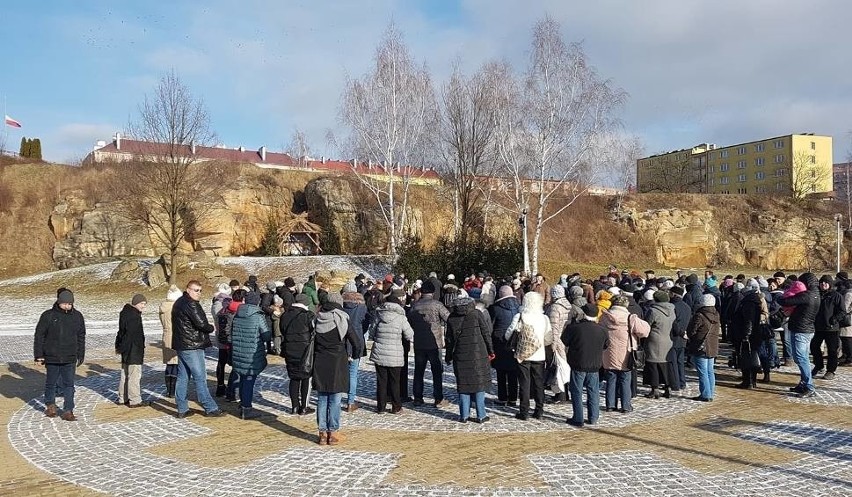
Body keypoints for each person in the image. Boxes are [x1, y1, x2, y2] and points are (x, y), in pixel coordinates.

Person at [172, 281, 223, 418]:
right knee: (200, 377)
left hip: (183, 345)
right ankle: (209, 406)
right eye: (196, 290)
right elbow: (202, 324)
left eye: (200, 290)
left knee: (183, 376)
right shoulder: (190, 304)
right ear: (188, 290)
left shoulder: (179, 302)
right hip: (192, 345)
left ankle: (182, 408)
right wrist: (212, 327)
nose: (199, 293)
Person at [312, 292, 358, 445]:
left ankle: (322, 433)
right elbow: (355, 341)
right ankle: (333, 432)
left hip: (320, 360)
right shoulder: (342, 317)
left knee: (322, 398)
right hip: (337, 361)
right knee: (335, 398)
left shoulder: (317, 318)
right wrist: (354, 355)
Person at [34, 289, 86, 421]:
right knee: (51, 383)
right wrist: (39, 354)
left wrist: (81, 353)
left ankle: (68, 410)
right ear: (59, 302)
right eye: (65, 304)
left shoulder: (77, 316)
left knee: (69, 384)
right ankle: (50, 405)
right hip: (52, 356)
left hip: (69, 357)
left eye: (70, 304)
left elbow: (81, 336)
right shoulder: (48, 315)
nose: (67, 306)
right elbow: (40, 335)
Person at [445, 296, 494, 423]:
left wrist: (448, 356)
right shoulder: (477, 314)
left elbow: (449, 340)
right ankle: (481, 415)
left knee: (463, 384)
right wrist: (491, 350)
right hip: (478, 354)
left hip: (460, 355)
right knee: (479, 383)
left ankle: (464, 415)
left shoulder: (451, 318)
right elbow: (486, 333)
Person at [599, 295, 650, 413]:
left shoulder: (605, 317)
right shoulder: (630, 318)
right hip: (626, 354)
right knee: (625, 380)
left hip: (608, 353)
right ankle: (626, 406)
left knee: (611, 379)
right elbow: (644, 331)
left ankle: (610, 405)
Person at [506, 291, 551, 420]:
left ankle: (524, 411)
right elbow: (548, 338)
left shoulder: (519, 316)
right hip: (539, 354)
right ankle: (539, 410)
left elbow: (508, 334)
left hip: (522, 355)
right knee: (538, 383)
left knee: (524, 383)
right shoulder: (544, 318)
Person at [563, 303, 609, 427]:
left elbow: (565, 341)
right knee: (593, 391)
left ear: (583, 314)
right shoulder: (602, 330)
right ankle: (593, 417)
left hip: (578, 363)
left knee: (576, 391)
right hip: (594, 364)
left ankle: (578, 418)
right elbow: (606, 345)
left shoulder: (575, 328)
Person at [408, 280, 451, 407]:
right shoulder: (437, 305)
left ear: (421, 292)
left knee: (419, 371)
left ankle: (418, 398)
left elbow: (409, 322)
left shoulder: (415, 306)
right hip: (434, 342)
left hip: (419, 343)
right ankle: (438, 398)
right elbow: (448, 318)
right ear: (433, 292)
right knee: (437, 371)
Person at [369, 295, 414, 414]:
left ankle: (381, 407)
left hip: (380, 351)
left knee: (381, 380)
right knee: (395, 381)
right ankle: (396, 406)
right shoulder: (401, 318)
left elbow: (371, 333)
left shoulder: (378, 315)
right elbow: (409, 334)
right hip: (395, 353)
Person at [230, 292, 271, 419]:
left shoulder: (237, 314)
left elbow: (232, 331)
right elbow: (266, 336)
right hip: (252, 353)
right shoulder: (258, 316)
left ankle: (243, 404)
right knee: (249, 380)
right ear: (257, 302)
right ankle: (246, 408)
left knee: (242, 377)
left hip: (238, 351)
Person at [280, 294, 315, 415]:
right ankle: (304, 407)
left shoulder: (285, 315)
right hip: (305, 350)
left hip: (289, 349)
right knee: (306, 377)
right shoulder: (308, 315)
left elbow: (282, 330)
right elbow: (314, 331)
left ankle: (294, 406)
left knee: (293, 377)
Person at [489, 285, 521, 406]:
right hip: (514, 341)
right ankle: (513, 397)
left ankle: (502, 397)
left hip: (500, 341)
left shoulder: (496, 308)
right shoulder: (518, 306)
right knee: (513, 371)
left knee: (501, 371)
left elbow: (491, 326)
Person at [115, 294, 149, 408]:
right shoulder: (134, 316)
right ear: (135, 303)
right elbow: (131, 335)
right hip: (133, 349)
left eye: (144, 304)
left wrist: (120, 347)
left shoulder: (125, 313)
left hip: (127, 349)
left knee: (125, 374)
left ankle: (122, 397)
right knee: (134, 375)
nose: (143, 306)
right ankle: (135, 399)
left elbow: (122, 333)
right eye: (142, 304)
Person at [686, 294, 721, 402]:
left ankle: (705, 394)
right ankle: (710, 392)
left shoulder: (699, 315)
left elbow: (692, 331)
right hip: (712, 346)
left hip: (701, 346)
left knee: (703, 372)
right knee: (710, 371)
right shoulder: (716, 314)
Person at [812, 275, 844, 380]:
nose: (823, 285)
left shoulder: (836, 296)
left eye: (826, 283)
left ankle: (831, 371)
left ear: (830, 284)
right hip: (818, 327)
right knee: (814, 347)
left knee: (832, 350)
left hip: (832, 328)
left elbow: (842, 311)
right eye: (821, 283)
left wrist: (835, 319)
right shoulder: (817, 295)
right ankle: (819, 365)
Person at [643, 291, 675, 399]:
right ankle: (667, 387)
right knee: (665, 365)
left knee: (653, 365)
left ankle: (655, 389)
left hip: (654, 340)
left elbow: (647, 325)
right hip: (668, 340)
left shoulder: (653, 311)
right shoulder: (672, 310)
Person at [341, 281, 367, 411]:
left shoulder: (341, 305)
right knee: (353, 373)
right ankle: (350, 401)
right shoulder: (362, 305)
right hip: (357, 338)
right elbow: (366, 321)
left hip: (342, 339)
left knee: (341, 371)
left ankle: (337, 397)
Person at [215, 289, 243, 400]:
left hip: (222, 341)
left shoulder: (222, 311)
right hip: (233, 342)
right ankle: (233, 393)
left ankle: (221, 387)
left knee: (222, 364)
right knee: (236, 367)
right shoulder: (237, 310)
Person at [159, 285, 182, 398]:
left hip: (166, 335)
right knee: (176, 363)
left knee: (169, 364)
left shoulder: (163, 307)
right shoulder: (175, 307)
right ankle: (174, 389)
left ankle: (169, 390)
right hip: (175, 335)